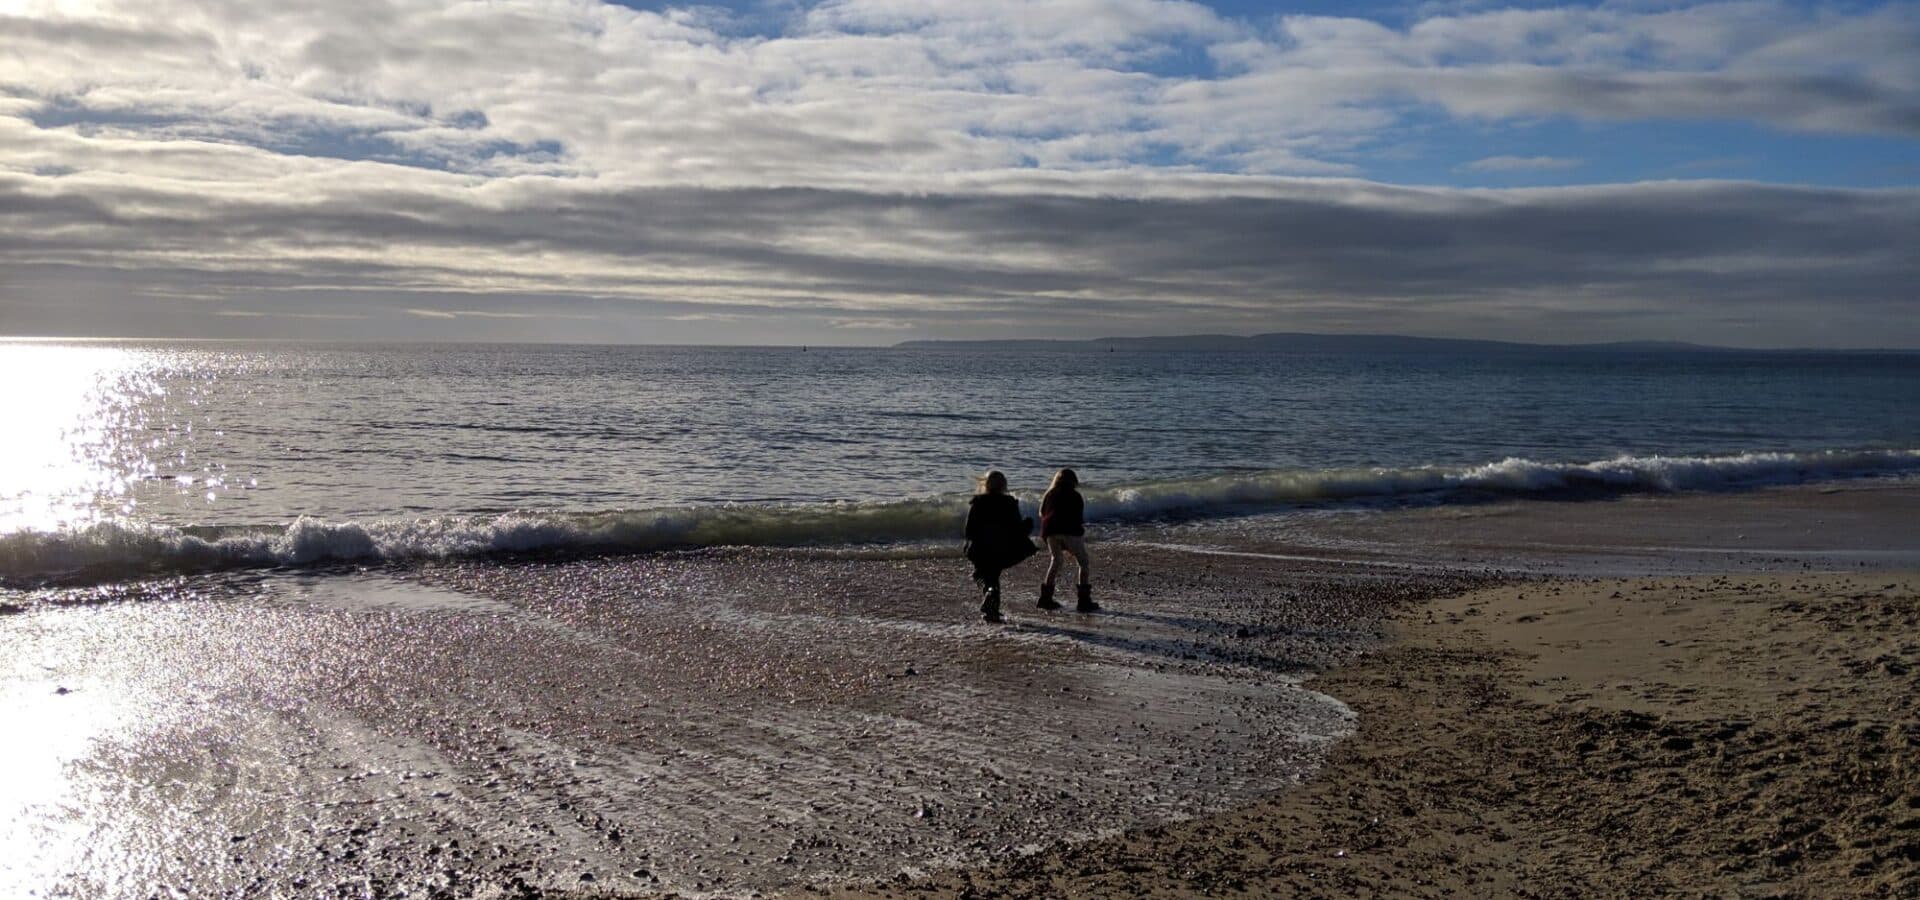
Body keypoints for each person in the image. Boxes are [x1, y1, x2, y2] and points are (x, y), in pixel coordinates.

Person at [963, 470, 1037, 623]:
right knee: (992, 575)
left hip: (981, 549)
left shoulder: (978, 502)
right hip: (1004, 548)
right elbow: (1016, 529)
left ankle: (991, 600)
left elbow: (969, 530)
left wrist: (969, 545)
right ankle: (993, 609)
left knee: (982, 575)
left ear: (986, 485)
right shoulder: (1009, 502)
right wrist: (1028, 524)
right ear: (1004, 485)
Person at [1038, 467, 1098, 612]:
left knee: (1056, 561)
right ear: (1074, 481)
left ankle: (1045, 598)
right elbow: (1077, 519)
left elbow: (1042, 514)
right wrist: (1076, 538)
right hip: (1069, 531)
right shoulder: (1075, 496)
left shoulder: (1049, 494)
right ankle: (1084, 601)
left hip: (1050, 531)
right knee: (1083, 562)